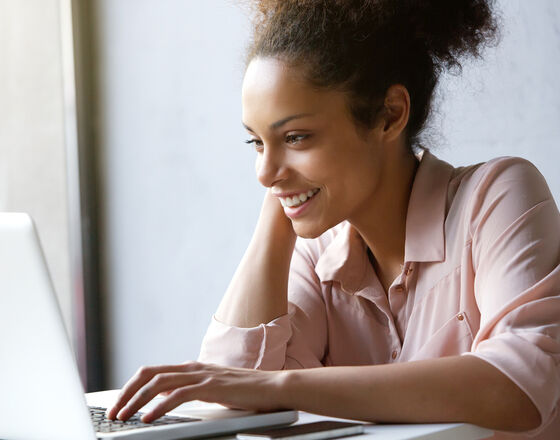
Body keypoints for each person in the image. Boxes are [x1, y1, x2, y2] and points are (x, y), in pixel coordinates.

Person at [107, 1, 560, 438]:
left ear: (389, 115)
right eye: (257, 143)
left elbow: (519, 386)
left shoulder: (495, 196)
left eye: (297, 136)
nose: (262, 173)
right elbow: (231, 398)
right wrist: (282, 201)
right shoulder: (315, 254)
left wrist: (285, 388)